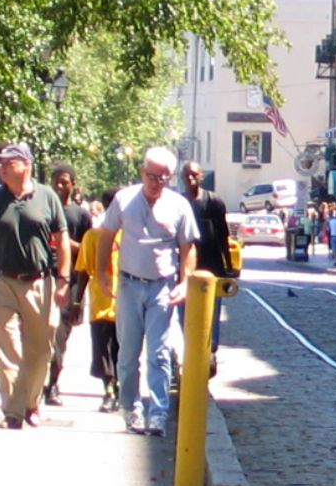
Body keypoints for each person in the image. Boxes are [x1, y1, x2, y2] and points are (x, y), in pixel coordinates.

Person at [96, 146, 199, 436]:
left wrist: (184, 282)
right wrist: (103, 272)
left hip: (162, 287)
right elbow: (106, 235)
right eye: (152, 176)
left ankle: (158, 412)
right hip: (129, 283)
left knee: (160, 353)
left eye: (163, 178)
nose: (156, 183)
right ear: (142, 172)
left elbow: (187, 247)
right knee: (128, 353)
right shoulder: (124, 199)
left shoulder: (179, 205)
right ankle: (131, 409)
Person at [0, 143, 72, 430]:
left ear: (26, 165)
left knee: (40, 350)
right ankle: (13, 413)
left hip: (40, 282)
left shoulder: (47, 197)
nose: (1, 167)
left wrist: (64, 281)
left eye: (8, 163)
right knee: (8, 349)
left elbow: (62, 241)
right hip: (1, 280)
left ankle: (31, 403)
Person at [42, 162, 95, 407]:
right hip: (42, 276)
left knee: (60, 337)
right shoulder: (42, 210)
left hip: (70, 280)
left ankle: (52, 384)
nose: (60, 186)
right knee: (39, 334)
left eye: (65, 181)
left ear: (73, 185)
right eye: (56, 181)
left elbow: (88, 253)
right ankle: (37, 383)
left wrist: (78, 298)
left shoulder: (80, 215)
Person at [179, 160, 231, 374]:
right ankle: (191, 353)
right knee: (184, 315)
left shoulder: (214, 202)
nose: (191, 178)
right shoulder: (179, 203)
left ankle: (210, 350)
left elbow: (223, 236)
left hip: (212, 269)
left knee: (212, 313)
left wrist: (229, 267)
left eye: (194, 174)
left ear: (201, 176)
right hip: (185, 271)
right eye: (186, 175)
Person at [80, 193, 122, 412]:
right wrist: (76, 302)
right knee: (105, 352)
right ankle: (110, 391)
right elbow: (84, 271)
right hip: (102, 304)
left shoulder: (131, 236)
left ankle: (119, 390)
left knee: (120, 351)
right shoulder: (94, 236)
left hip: (126, 304)